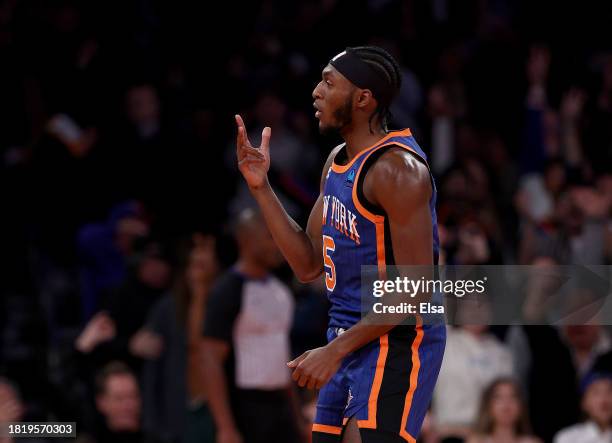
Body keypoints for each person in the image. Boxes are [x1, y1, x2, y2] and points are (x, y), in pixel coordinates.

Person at [235, 45, 446, 443]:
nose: (316, 91)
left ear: (363, 99)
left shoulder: (399, 171)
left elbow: (418, 291)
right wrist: (262, 189)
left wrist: (333, 352)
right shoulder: (336, 160)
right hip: (347, 333)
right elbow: (308, 264)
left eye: (329, 83)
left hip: (398, 338)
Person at [201, 209, 303, 443]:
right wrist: (225, 427)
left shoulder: (282, 291)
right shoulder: (227, 291)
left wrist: (297, 418)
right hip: (244, 408)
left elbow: (283, 356)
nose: (278, 244)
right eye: (270, 236)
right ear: (245, 239)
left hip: (280, 406)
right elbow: (210, 360)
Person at [467, 378, 541, 443]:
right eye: (499, 397)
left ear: (521, 405)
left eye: (513, 397)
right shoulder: (477, 441)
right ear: (488, 405)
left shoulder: (532, 442)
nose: (506, 403)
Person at [553, 372, 612, 443]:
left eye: (609, 391)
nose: (604, 400)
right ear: (584, 403)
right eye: (596, 393)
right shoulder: (568, 438)